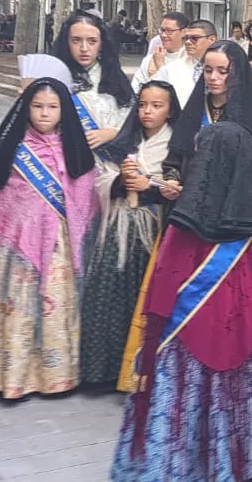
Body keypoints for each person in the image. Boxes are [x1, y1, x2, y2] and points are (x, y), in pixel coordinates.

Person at [111, 121, 252, 481]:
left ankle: (178, 462)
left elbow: (162, 287)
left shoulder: (184, 225)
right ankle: (235, 461)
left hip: (183, 345)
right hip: (247, 341)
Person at [0, 78, 99, 399]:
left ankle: (57, 376)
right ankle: (12, 378)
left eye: (53, 107)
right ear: (26, 107)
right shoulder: (10, 146)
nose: (44, 113)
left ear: (64, 111)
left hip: (59, 246)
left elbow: (85, 195)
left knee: (57, 305)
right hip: (16, 249)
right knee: (16, 306)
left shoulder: (75, 148)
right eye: (37, 106)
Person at [82, 81, 182, 390]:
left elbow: (179, 189)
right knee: (107, 294)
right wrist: (120, 181)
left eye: (156, 105)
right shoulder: (125, 141)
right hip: (117, 228)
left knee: (143, 297)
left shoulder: (177, 147)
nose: (147, 111)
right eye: (142, 105)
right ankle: (101, 370)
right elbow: (100, 180)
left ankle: (139, 372)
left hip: (152, 231)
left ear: (170, 110)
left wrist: (149, 187)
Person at [169, 40, 252, 180]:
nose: (213, 77)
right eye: (208, 70)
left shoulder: (251, 116)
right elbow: (176, 157)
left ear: (237, 73)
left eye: (223, 71)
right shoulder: (195, 110)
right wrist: (171, 179)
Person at [51, 12, 134, 149]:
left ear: (101, 44)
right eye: (76, 40)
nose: (84, 48)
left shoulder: (115, 79)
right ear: (67, 42)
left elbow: (132, 121)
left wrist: (113, 132)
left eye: (92, 41)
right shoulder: (53, 78)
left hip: (109, 162)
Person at [133, 11, 197, 107]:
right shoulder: (150, 59)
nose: (163, 35)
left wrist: (160, 68)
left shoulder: (192, 60)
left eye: (169, 31)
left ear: (184, 32)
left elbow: (180, 94)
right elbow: (136, 89)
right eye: (162, 30)